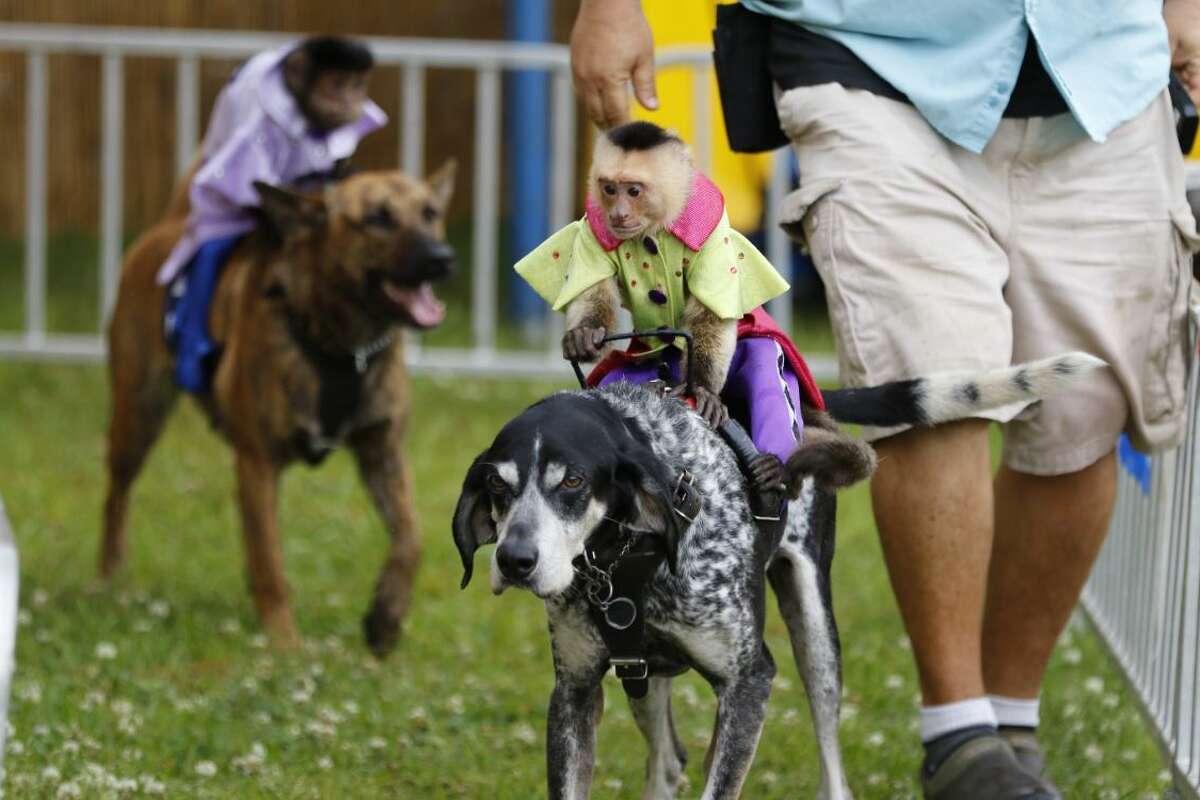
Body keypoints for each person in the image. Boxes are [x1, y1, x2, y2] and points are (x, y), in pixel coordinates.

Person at [570, 1, 1200, 797]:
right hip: (869, 53)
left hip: (1104, 67)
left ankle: (1010, 727)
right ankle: (961, 734)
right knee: (931, 372)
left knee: (1083, 412)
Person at [159, 36, 386, 394]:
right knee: (211, 252)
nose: (348, 98)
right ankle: (193, 348)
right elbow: (247, 181)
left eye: (357, 86)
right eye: (337, 85)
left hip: (296, 198)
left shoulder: (323, 110)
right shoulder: (263, 119)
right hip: (233, 202)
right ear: (300, 77)